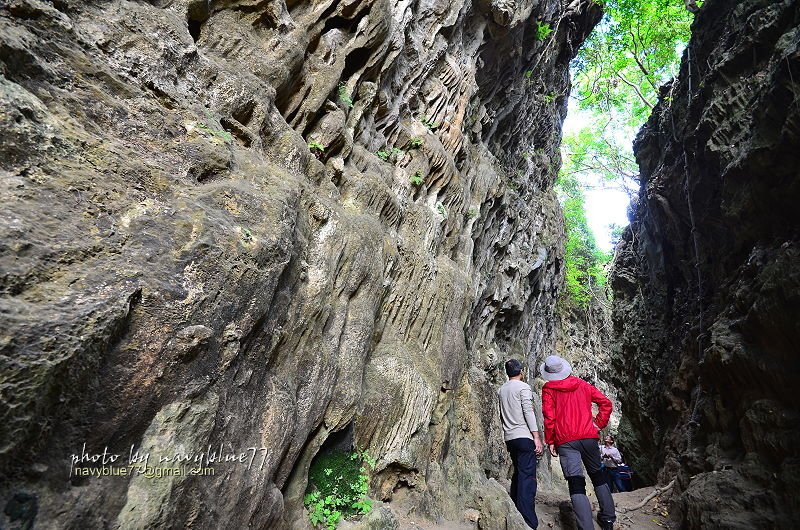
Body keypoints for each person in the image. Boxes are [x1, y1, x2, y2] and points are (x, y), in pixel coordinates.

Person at [540, 355, 616, 530]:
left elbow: (549, 417)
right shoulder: (582, 384)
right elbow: (606, 403)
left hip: (566, 441)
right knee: (598, 476)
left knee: (576, 482)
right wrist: (597, 423)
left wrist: (551, 440)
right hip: (589, 437)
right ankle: (608, 518)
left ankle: (586, 527)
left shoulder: (549, 389)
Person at [498, 359, 544, 529]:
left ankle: (516, 511)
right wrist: (536, 437)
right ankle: (528, 521)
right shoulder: (523, 387)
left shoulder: (501, 390)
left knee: (518, 474)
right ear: (521, 371)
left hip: (510, 438)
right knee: (527, 478)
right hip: (524, 437)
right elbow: (528, 411)